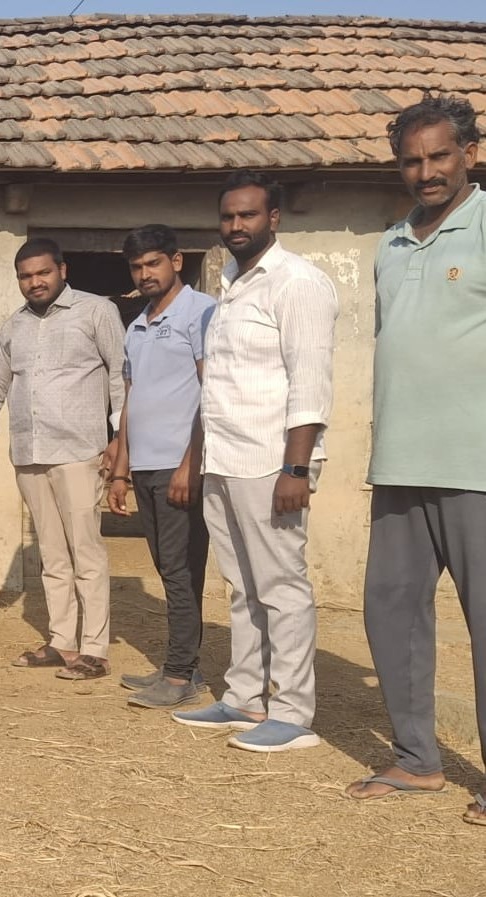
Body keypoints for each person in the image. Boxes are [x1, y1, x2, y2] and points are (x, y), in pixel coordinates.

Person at [344, 94, 486, 821]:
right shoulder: (392, 244)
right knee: (391, 610)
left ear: (470, 153)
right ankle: (417, 760)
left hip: (476, 467)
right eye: (411, 160)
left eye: (439, 156)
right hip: (400, 462)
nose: (426, 171)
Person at [171, 171, 338, 752]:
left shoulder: (298, 283)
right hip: (226, 458)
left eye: (248, 215)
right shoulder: (230, 288)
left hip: (272, 462)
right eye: (228, 217)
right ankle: (244, 697)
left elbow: (310, 383)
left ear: (274, 218)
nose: (236, 225)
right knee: (241, 585)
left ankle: (292, 712)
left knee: (281, 586)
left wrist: (296, 468)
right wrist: (200, 461)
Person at [0, 238, 125, 679]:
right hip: (29, 453)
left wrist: (120, 440)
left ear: (62, 270)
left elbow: (120, 376)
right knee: (52, 554)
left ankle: (95, 649)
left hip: (78, 451)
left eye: (43, 273)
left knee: (86, 551)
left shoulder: (97, 312)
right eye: (26, 276)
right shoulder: (14, 327)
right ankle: (63, 642)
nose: (35, 282)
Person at [107, 225, 215, 709]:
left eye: (153, 263)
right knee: (169, 567)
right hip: (146, 466)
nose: (145, 273)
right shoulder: (136, 326)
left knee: (179, 569)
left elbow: (210, 392)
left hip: (180, 464)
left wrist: (191, 463)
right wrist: (120, 469)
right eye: (136, 267)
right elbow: (131, 399)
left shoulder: (201, 312)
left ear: (176, 261)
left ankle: (178, 676)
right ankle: (183, 665)